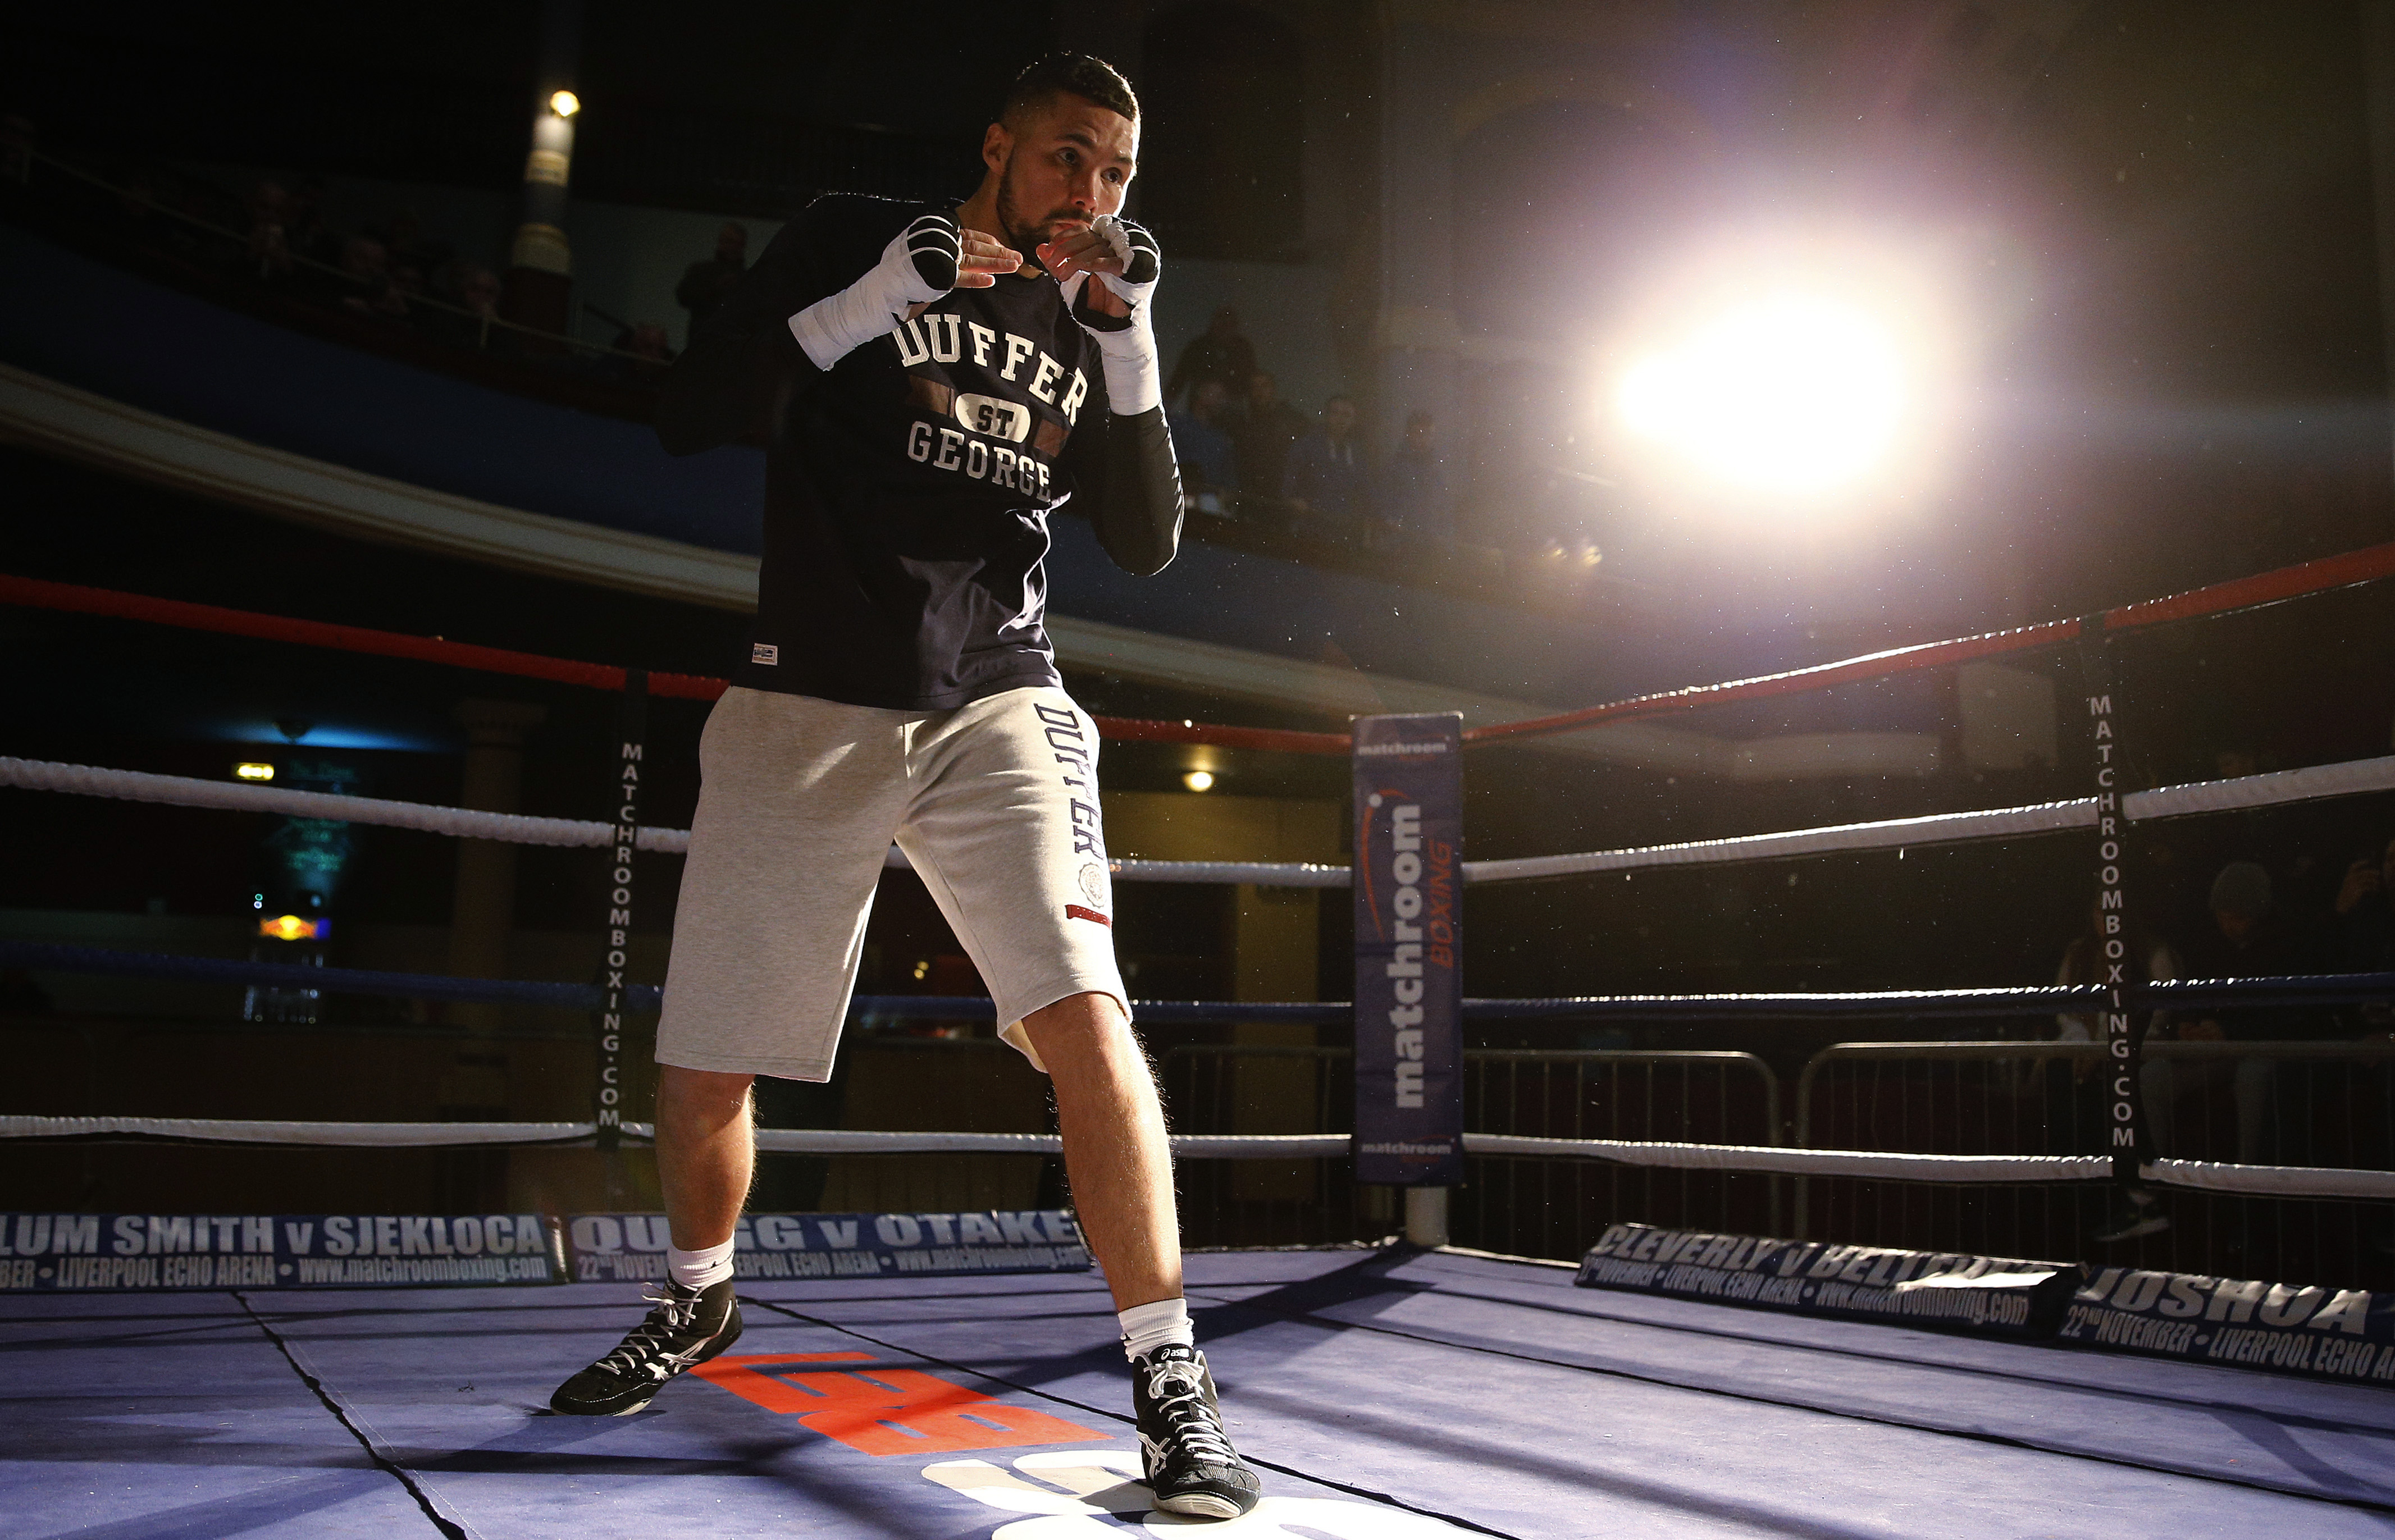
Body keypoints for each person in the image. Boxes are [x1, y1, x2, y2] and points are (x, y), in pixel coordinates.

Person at [547, 53, 1260, 1521]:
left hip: (999, 694)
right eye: (1068, 158)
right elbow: (694, 407)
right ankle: (696, 1294)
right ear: (997, 147)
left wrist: (1127, 333)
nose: (1091, 194)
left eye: (1117, 172)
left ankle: (1169, 1374)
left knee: (1086, 1013)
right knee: (705, 1067)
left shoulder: (1090, 308)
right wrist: (884, 292)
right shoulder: (850, 237)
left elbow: (1147, 539)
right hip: (806, 684)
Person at [1282, 394, 1370, 531]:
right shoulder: (1306, 446)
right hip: (1310, 525)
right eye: (1335, 413)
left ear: (1353, 420)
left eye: (1347, 415)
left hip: (1343, 527)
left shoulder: (1358, 453)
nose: (1341, 420)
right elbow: (1288, 484)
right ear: (1326, 416)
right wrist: (1293, 500)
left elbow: (1365, 488)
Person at [1227, 369, 1306, 506]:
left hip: (1280, 494)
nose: (1260, 392)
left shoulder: (1290, 419)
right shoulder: (1241, 422)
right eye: (1255, 387)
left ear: (1273, 389)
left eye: (1265, 386)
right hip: (1249, 493)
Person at [1381, 409, 1451, 544]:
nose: (1423, 439)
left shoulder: (1438, 468)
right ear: (1409, 434)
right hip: (1401, 538)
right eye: (1418, 433)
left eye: (1428, 434)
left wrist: (1443, 533)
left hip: (1431, 539)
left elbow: (1444, 504)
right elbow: (1385, 501)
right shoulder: (1394, 466)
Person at [1164, 304, 1254, 407]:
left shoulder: (1243, 348)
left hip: (1232, 407)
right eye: (1221, 322)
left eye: (1229, 324)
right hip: (1201, 408)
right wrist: (1166, 405)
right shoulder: (1198, 347)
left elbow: (1251, 381)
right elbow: (1178, 379)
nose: (1224, 328)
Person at [1169, 377, 1238, 503]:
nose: (1221, 402)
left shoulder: (1221, 438)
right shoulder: (1178, 426)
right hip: (1179, 500)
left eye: (1222, 397)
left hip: (1213, 505)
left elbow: (1230, 481)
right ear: (1201, 393)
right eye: (1217, 395)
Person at [675, 220, 750, 337]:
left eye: (733, 242)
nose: (729, 246)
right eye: (726, 241)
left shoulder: (747, 279)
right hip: (704, 337)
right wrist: (715, 288)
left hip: (731, 339)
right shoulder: (701, 271)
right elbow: (683, 296)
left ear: (742, 245)